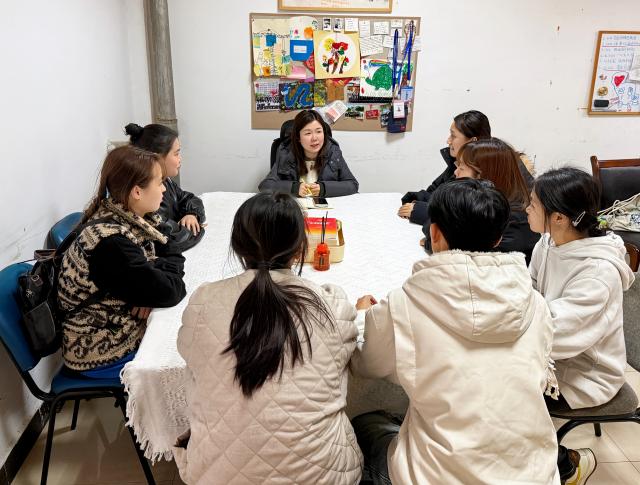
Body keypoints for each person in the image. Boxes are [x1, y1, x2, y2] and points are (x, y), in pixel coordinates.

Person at [351, 179, 560, 485]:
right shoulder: (535, 303)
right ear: (498, 238)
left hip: (438, 477)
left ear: (434, 234)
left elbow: (366, 365)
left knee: (365, 424)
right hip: (535, 474)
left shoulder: (404, 303)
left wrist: (363, 318)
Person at [174, 192, 364, 484]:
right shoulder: (330, 304)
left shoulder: (204, 301)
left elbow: (188, 350)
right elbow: (354, 350)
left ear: (238, 247)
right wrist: (360, 313)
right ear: (300, 249)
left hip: (217, 476)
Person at [527, 167, 635, 484]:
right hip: (553, 354)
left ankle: (566, 466)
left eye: (532, 204)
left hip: (586, 373)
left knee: (503, 392)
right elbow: (529, 291)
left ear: (559, 217)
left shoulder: (598, 271)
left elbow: (561, 333)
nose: (526, 209)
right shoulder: (548, 243)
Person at [57, 146, 187, 377]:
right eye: (159, 182)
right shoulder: (112, 243)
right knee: (186, 358)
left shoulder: (126, 215)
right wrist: (152, 286)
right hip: (99, 349)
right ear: (137, 191)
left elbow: (168, 249)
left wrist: (147, 288)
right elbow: (172, 291)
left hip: (111, 323)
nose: (164, 189)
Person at [422, 137, 540, 263]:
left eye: (462, 168)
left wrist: (429, 241)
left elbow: (455, 255)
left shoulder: (510, 222)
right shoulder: (482, 205)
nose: (456, 172)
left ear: (482, 177)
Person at [398, 110, 491, 225]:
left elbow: (467, 219)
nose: (448, 141)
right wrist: (414, 200)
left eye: (453, 136)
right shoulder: (455, 164)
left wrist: (424, 212)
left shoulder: (484, 176)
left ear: (472, 142)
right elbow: (435, 193)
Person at [125, 122, 205, 236]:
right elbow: (171, 238)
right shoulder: (147, 194)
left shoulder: (166, 181)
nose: (180, 159)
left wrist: (192, 215)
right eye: (176, 154)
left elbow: (188, 198)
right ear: (157, 158)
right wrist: (196, 228)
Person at [258, 110, 359, 197]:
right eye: (308, 133)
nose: (314, 138)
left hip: (326, 207)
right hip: (294, 206)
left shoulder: (333, 151)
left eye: (318, 131)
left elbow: (352, 185)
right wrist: (293, 188)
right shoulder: (286, 153)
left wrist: (324, 188)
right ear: (298, 137)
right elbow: (265, 185)